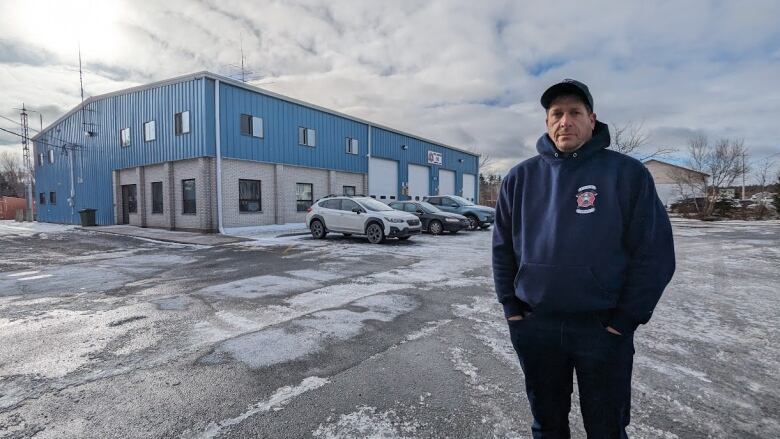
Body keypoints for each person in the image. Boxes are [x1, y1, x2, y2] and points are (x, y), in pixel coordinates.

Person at [492, 79, 675, 438]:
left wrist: (623, 321)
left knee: (606, 428)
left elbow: (654, 255)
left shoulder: (626, 174)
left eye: (575, 112)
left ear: (592, 120)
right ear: (547, 123)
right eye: (556, 114)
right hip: (537, 325)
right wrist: (512, 310)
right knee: (547, 426)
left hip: (602, 329)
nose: (565, 121)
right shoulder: (520, 178)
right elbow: (502, 249)